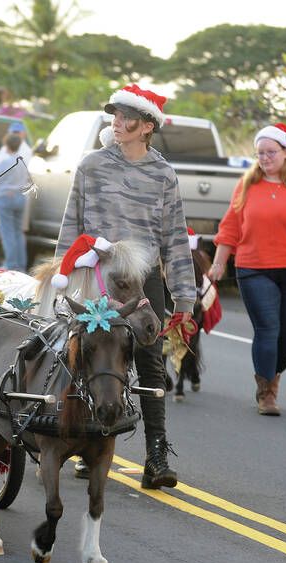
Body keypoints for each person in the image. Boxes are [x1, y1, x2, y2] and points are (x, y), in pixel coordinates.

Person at [57, 84, 196, 489]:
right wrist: (61, 277)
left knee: (151, 361)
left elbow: (173, 238)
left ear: (147, 125)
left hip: (142, 281)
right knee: (90, 358)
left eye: (125, 117)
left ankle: (156, 455)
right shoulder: (91, 165)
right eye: (114, 116)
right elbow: (71, 223)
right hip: (96, 273)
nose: (116, 123)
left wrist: (184, 297)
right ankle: (89, 444)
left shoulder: (163, 175)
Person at [208, 123, 286, 416]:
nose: (264, 158)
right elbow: (230, 228)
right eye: (260, 153)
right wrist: (217, 263)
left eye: (271, 152)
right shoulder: (247, 185)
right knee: (268, 328)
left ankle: (272, 372)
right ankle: (267, 392)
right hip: (254, 269)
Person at [0, 134, 28, 271]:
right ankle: (21, 265)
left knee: (8, 232)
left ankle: (11, 264)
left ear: (6, 145)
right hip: (20, 197)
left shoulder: (5, 162)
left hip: (5, 197)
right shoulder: (23, 162)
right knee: (18, 231)